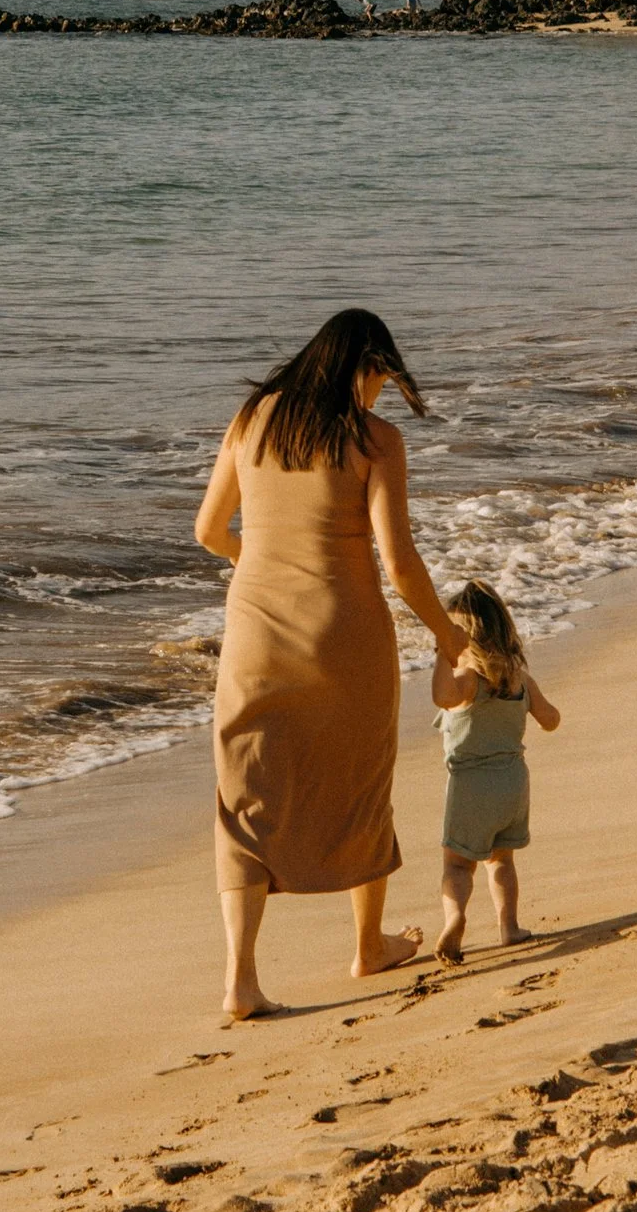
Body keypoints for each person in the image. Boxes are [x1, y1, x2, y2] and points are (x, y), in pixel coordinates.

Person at [194, 305, 467, 1024]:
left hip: (255, 635)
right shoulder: (374, 439)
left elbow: (207, 529)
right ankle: (368, 945)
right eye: (379, 378)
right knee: (359, 780)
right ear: (364, 369)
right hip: (345, 636)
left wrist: (259, 565)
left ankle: (240, 980)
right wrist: (447, 635)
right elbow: (400, 564)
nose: (379, 393)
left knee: (245, 800)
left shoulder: (252, 419)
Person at [431, 577, 561, 959]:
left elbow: (441, 696)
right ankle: (510, 927)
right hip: (513, 784)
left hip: (471, 786)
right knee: (501, 861)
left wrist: (442, 654)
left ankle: (454, 918)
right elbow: (551, 720)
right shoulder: (521, 681)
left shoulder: (468, 681)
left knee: (457, 866)